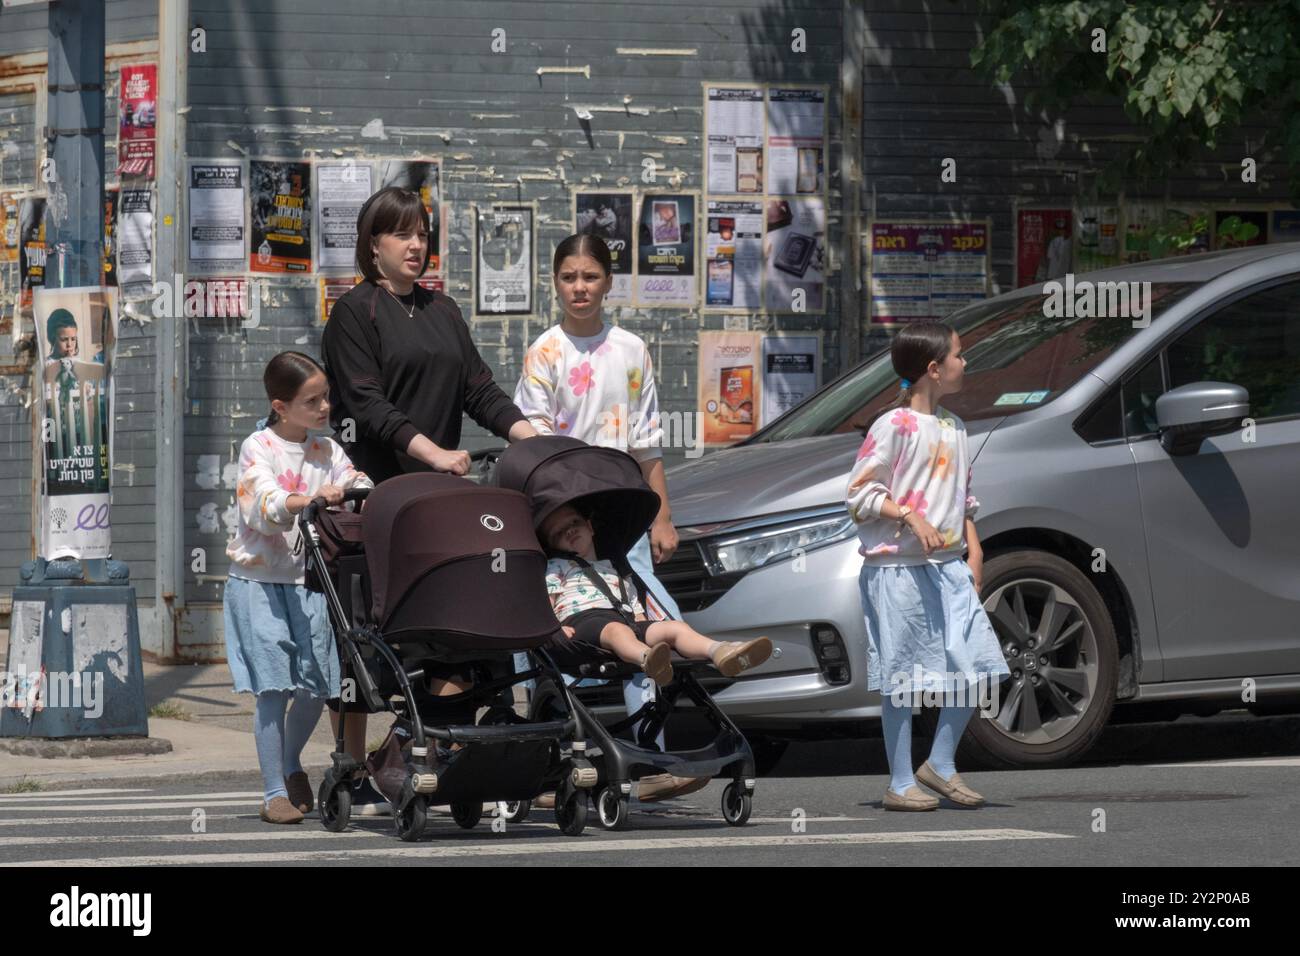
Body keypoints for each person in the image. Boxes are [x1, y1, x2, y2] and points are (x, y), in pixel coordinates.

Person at [320, 186, 538, 815]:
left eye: (422, 234)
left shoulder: (442, 310)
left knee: (457, 626)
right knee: (368, 636)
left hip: (440, 499)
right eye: (402, 235)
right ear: (374, 245)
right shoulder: (354, 314)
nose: (416, 245)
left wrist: (528, 435)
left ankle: (434, 751)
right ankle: (354, 765)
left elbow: (480, 389)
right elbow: (367, 404)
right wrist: (434, 452)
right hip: (379, 498)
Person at [513, 233, 711, 804]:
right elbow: (535, 443)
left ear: (608, 282)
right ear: (556, 282)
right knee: (566, 637)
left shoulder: (631, 349)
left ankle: (650, 758)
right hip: (563, 514)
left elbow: (648, 443)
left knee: (648, 627)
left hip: (622, 512)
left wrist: (662, 517)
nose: (580, 288)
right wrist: (556, 516)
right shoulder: (544, 351)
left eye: (591, 276)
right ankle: (560, 763)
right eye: (569, 277)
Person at [845, 322, 1009, 811]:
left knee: (977, 667)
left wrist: (974, 549)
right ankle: (899, 782)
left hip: (948, 568)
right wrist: (908, 514)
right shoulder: (891, 426)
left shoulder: (955, 428)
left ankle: (939, 765)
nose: (965, 363)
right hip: (897, 571)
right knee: (903, 678)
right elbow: (860, 493)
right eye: (959, 355)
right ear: (934, 369)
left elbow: (963, 498)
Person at [224, 351, 373, 824]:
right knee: (273, 688)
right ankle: (274, 792)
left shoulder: (326, 450)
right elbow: (261, 502)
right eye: (313, 400)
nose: (325, 407)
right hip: (260, 583)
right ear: (281, 405)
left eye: (326, 397)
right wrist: (305, 500)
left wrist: (355, 491)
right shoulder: (258, 446)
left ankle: (290, 764)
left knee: (315, 684)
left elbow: (357, 481)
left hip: (310, 583)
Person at [541, 503, 771, 683]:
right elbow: (544, 600)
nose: (570, 530)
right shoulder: (557, 566)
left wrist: (645, 626)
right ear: (553, 544)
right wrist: (553, 628)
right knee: (616, 631)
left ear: (590, 527)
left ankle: (720, 651)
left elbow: (632, 602)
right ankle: (647, 659)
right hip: (583, 623)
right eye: (560, 532)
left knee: (674, 628)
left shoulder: (615, 568)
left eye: (575, 522)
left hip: (623, 618)